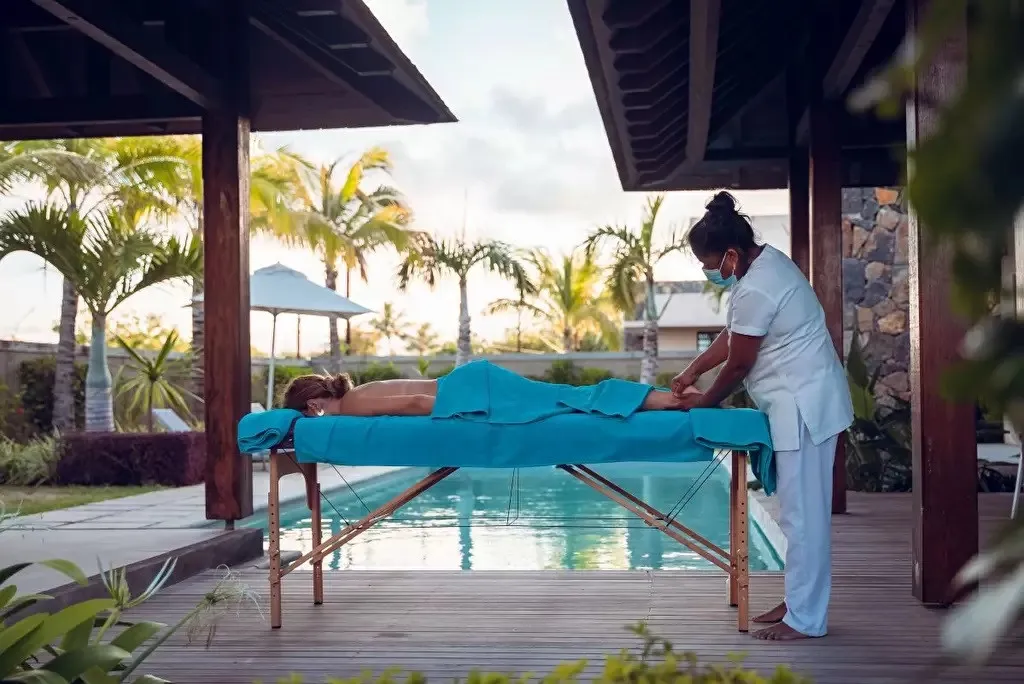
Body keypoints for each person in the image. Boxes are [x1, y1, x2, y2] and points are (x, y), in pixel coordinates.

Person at [670, 191, 853, 641]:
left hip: (805, 407)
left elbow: (739, 363)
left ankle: (806, 619)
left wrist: (705, 400)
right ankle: (798, 602)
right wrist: (693, 369)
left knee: (804, 517)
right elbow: (734, 334)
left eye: (709, 263)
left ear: (731, 254)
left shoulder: (758, 285)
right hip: (798, 402)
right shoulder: (763, 264)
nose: (708, 271)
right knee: (798, 514)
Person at [281, 368, 700, 417]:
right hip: (469, 383)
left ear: (313, 403)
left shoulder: (351, 406)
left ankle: (671, 398)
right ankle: (668, 397)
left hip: (469, 391)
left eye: (309, 414)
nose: (315, 419)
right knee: (568, 395)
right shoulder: (357, 393)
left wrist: (463, 414)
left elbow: (415, 402)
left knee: (571, 398)